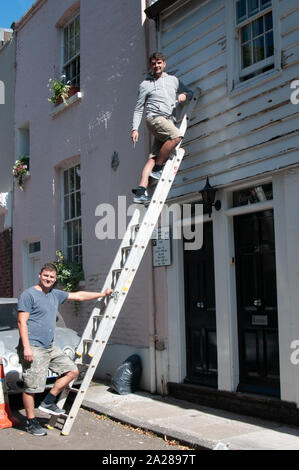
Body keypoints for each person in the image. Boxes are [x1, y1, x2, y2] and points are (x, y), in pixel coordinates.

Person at [17, 262, 113, 436]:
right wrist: (26, 348)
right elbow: (21, 322)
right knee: (31, 387)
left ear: (55, 280)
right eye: (46, 275)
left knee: (72, 371)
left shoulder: (56, 294)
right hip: (34, 347)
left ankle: (48, 400)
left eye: (52, 277)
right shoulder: (28, 295)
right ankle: (31, 422)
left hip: (49, 347)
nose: (48, 279)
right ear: (40, 275)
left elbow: (79, 296)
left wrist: (102, 294)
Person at [131, 51, 193, 204]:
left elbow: (189, 92)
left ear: (164, 64)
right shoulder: (145, 85)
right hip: (154, 118)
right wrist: (134, 128)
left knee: (153, 157)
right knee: (176, 136)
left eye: (159, 63)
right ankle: (159, 168)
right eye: (153, 63)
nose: (156, 66)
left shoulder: (174, 80)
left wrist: (183, 96)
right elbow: (139, 108)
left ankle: (140, 190)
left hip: (167, 122)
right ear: (150, 66)